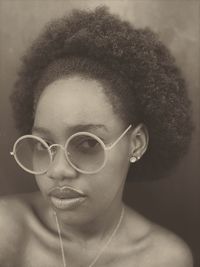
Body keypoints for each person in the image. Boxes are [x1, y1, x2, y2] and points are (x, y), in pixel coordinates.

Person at [0, 6, 193, 267]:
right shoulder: (7, 231)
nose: (57, 171)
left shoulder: (164, 259)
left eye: (87, 143)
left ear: (136, 143)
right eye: (44, 145)